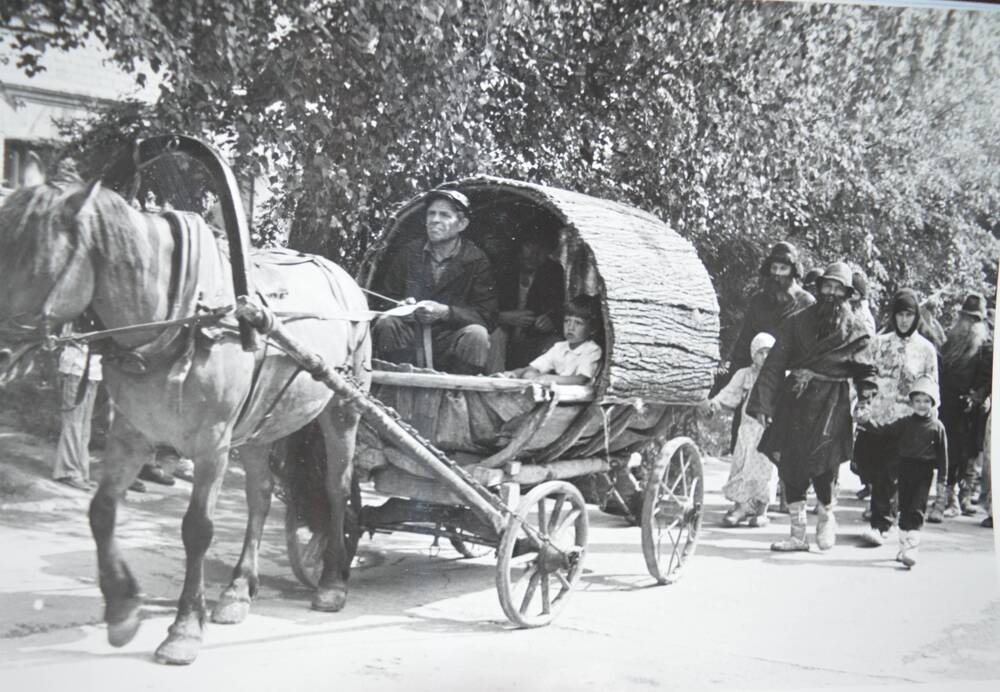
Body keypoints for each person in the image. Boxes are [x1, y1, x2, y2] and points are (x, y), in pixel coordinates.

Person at [746, 261, 877, 552]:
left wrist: (865, 400)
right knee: (791, 463)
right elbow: (775, 363)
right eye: (826, 286)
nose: (830, 293)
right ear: (819, 288)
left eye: (837, 288)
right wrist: (765, 404)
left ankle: (827, 517)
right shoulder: (797, 322)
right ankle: (797, 535)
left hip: (833, 401)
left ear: (847, 293)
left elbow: (867, 373)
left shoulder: (855, 331)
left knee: (824, 463)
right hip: (796, 400)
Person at [373, 189, 497, 374]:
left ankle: (460, 394)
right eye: (431, 213)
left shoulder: (476, 260)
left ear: (462, 224)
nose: (435, 220)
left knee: (477, 335)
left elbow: (487, 315)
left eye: (445, 215)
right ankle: (395, 387)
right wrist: (400, 308)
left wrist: (445, 313)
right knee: (387, 323)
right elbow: (383, 300)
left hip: (450, 339)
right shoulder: (409, 253)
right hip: (411, 337)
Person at [854, 289, 938, 546]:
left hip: (906, 420)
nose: (904, 320)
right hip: (878, 418)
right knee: (868, 466)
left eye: (909, 315)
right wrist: (863, 404)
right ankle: (885, 510)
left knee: (889, 473)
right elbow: (866, 376)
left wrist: (930, 419)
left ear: (916, 317)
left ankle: (881, 524)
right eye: (900, 314)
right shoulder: (879, 343)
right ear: (893, 316)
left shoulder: (926, 349)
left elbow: (932, 385)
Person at [716, 242, 815, 456]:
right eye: (774, 268)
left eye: (783, 269)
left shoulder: (806, 304)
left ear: (793, 271)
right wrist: (732, 379)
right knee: (745, 444)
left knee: (783, 447)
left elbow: (812, 349)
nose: (777, 274)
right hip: (756, 378)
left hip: (788, 382)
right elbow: (744, 343)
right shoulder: (759, 302)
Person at [856, 377, 948, 568]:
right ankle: (903, 548)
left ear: (933, 403)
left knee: (916, 508)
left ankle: (912, 549)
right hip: (904, 469)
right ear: (911, 403)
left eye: (926, 401)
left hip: (924, 473)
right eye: (918, 401)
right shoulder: (905, 423)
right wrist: (867, 422)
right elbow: (884, 430)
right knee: (904, 508)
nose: (922, 405)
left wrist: (942, 482)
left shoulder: (937, 427)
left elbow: (943, 457)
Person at [699, 332, 777, 527]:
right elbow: (729, 392)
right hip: (747, 428)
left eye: (769, 352)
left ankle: (761, 510)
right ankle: (740, 508)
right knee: (742, 465)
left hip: (769, 430)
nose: (765, 357)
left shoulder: (779, 376)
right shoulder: (744, 374)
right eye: (761, 352)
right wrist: (715, 404)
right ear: (753, 354)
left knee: (765, 470)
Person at [936, 293, 991, 519]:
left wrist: (977, 396)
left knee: (970, 452)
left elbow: (989, 377)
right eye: (967, 317)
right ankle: (946, 496)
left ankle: (965, 495)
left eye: (975, 319)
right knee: (949, 450)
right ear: (961, 317)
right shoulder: (950, 341)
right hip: (950, 403)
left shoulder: (986, 345)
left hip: (974, 407)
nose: (970, 324)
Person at [494, 226, 565, 369]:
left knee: (555, 344)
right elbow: (477, 311)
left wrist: (551, 321)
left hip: (527, 345)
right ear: (519, 246)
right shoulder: (501, 268)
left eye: (542, 249)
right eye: (529, 245)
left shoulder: (553, 272)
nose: (534, 254)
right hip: (497, 345)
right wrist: (504, 317)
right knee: (496, 334)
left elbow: (560, 310)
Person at [502, 295, 602, 385]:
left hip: (578, 396)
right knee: (529, 374)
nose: (570, 327)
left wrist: (549, 379)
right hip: (559, 394)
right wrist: (515, 373)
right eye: (567, 321)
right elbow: (534, 367)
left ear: (592, 329)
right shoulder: (559, 347)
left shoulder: (592, 349)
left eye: (578, 323)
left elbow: (581, 379)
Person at [53, 341, 102, 491]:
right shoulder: (75, 318)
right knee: (73, 424)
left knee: (84, 426)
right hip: (76, 369)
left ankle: (81, 472)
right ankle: (68, 472)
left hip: (93, 372)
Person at [850, 269, 877, 336]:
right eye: (849, 292)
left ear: (860, 296)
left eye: (855, 293)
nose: (851, 295)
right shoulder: (845, 305)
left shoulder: (863, 313)